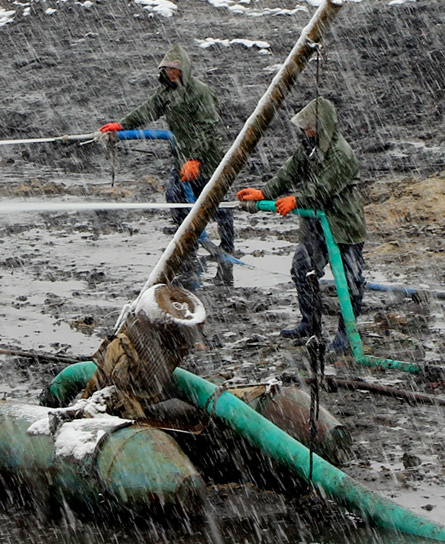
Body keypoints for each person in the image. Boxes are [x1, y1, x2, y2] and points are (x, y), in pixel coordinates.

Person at [237, 97, 366, 355]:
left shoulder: (341, 154)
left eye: (311, 128)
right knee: (302, 269)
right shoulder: (309, 147)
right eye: (305, 128)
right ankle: (310, 323)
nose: (306, 132)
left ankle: (345, 334)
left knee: (351, 281)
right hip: (315, 222)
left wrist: (296, 200)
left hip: (343, 224)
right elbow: (290, 172)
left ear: (323, 127)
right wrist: (264, 193)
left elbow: (324, 189)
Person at [99, 43, 235, 286]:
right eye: (168, 69)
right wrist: (122, 125)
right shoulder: (166, 94)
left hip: (208, 158)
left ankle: (228, 249)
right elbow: (148, 110)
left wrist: (197, 159)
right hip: (182, 157)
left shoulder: (200, 92)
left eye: (175, 69)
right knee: (175, 196)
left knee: (217, 203)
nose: (172, 73)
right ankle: (188, 247)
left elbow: (208, 128)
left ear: (185, 70)